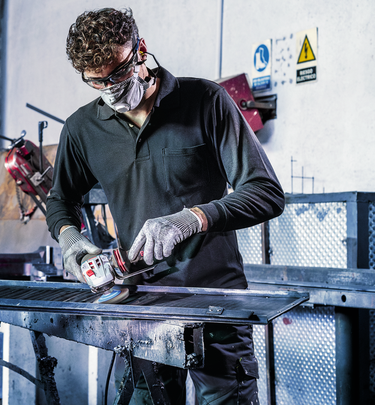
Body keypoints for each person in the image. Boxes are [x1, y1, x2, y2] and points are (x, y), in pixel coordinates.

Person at [45, 7, 284, 404]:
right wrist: (71, 239)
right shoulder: (82, 129)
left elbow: (265, 191)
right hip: (140, 307)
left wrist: (192, 218)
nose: (110, 89)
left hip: (215, 301)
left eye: (118, 74)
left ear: (140, 50)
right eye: (96, 81)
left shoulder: (205, 100)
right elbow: (60, 201)